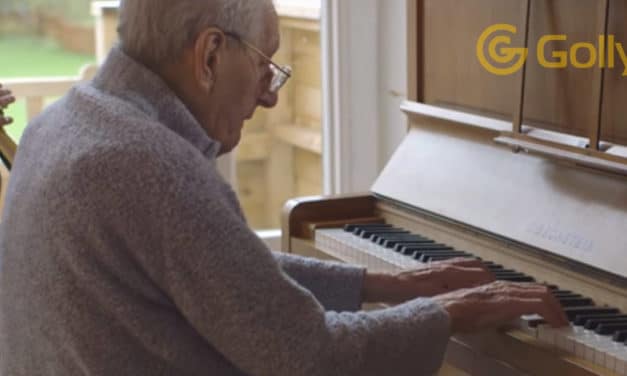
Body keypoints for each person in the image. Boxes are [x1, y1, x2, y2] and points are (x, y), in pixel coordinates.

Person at [0, 1, 568, 375]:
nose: (270, 95)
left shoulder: (66, 122)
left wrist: (382, 285)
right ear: (209, 56)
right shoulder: (152, 167)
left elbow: (222, 272)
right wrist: (452, 313)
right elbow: (310, 356)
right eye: (266, 65)